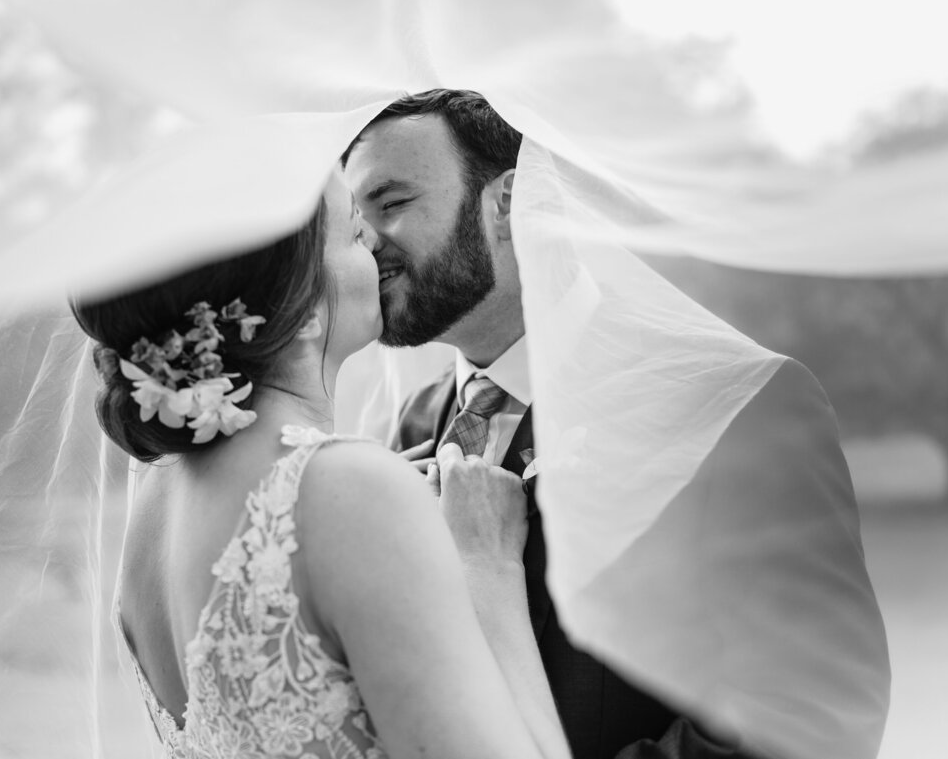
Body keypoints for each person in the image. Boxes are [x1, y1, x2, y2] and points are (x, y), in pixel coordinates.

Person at [341, 89, 891, 759]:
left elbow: (816, 717)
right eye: (353, 217)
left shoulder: (734, 406)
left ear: (509, 203)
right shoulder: (403, 430)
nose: (365, 242)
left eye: (391, 203)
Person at [72, 172, 574, 759]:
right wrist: (486, 564)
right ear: (301, 306)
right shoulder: (347, 487)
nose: (379, 250)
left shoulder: (156, 495)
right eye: (357, 235)